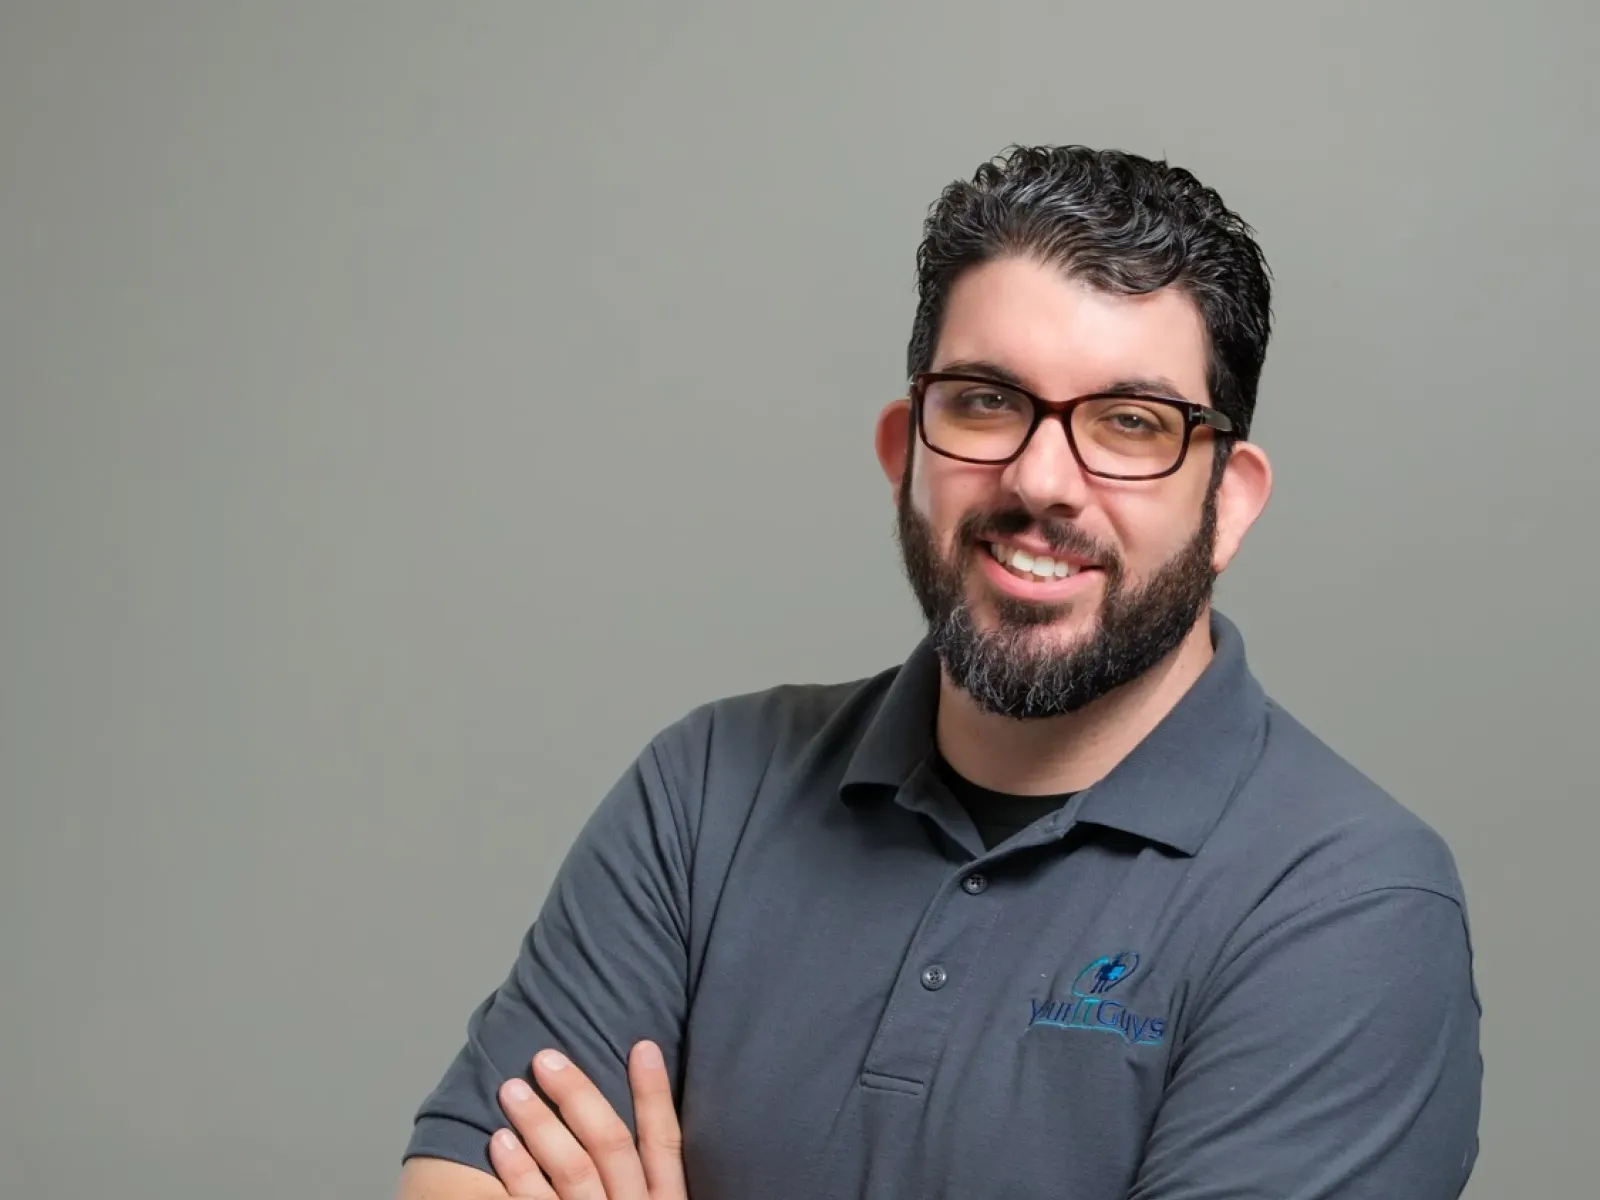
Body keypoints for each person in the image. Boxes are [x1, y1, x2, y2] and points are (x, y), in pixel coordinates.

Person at [394, 144, 1483, 1200]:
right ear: (902, 452)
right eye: (984, 402)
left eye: (1130, 423)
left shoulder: (1351, 904)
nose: (1042, 478)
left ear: (1228, 501)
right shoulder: (706, 792)